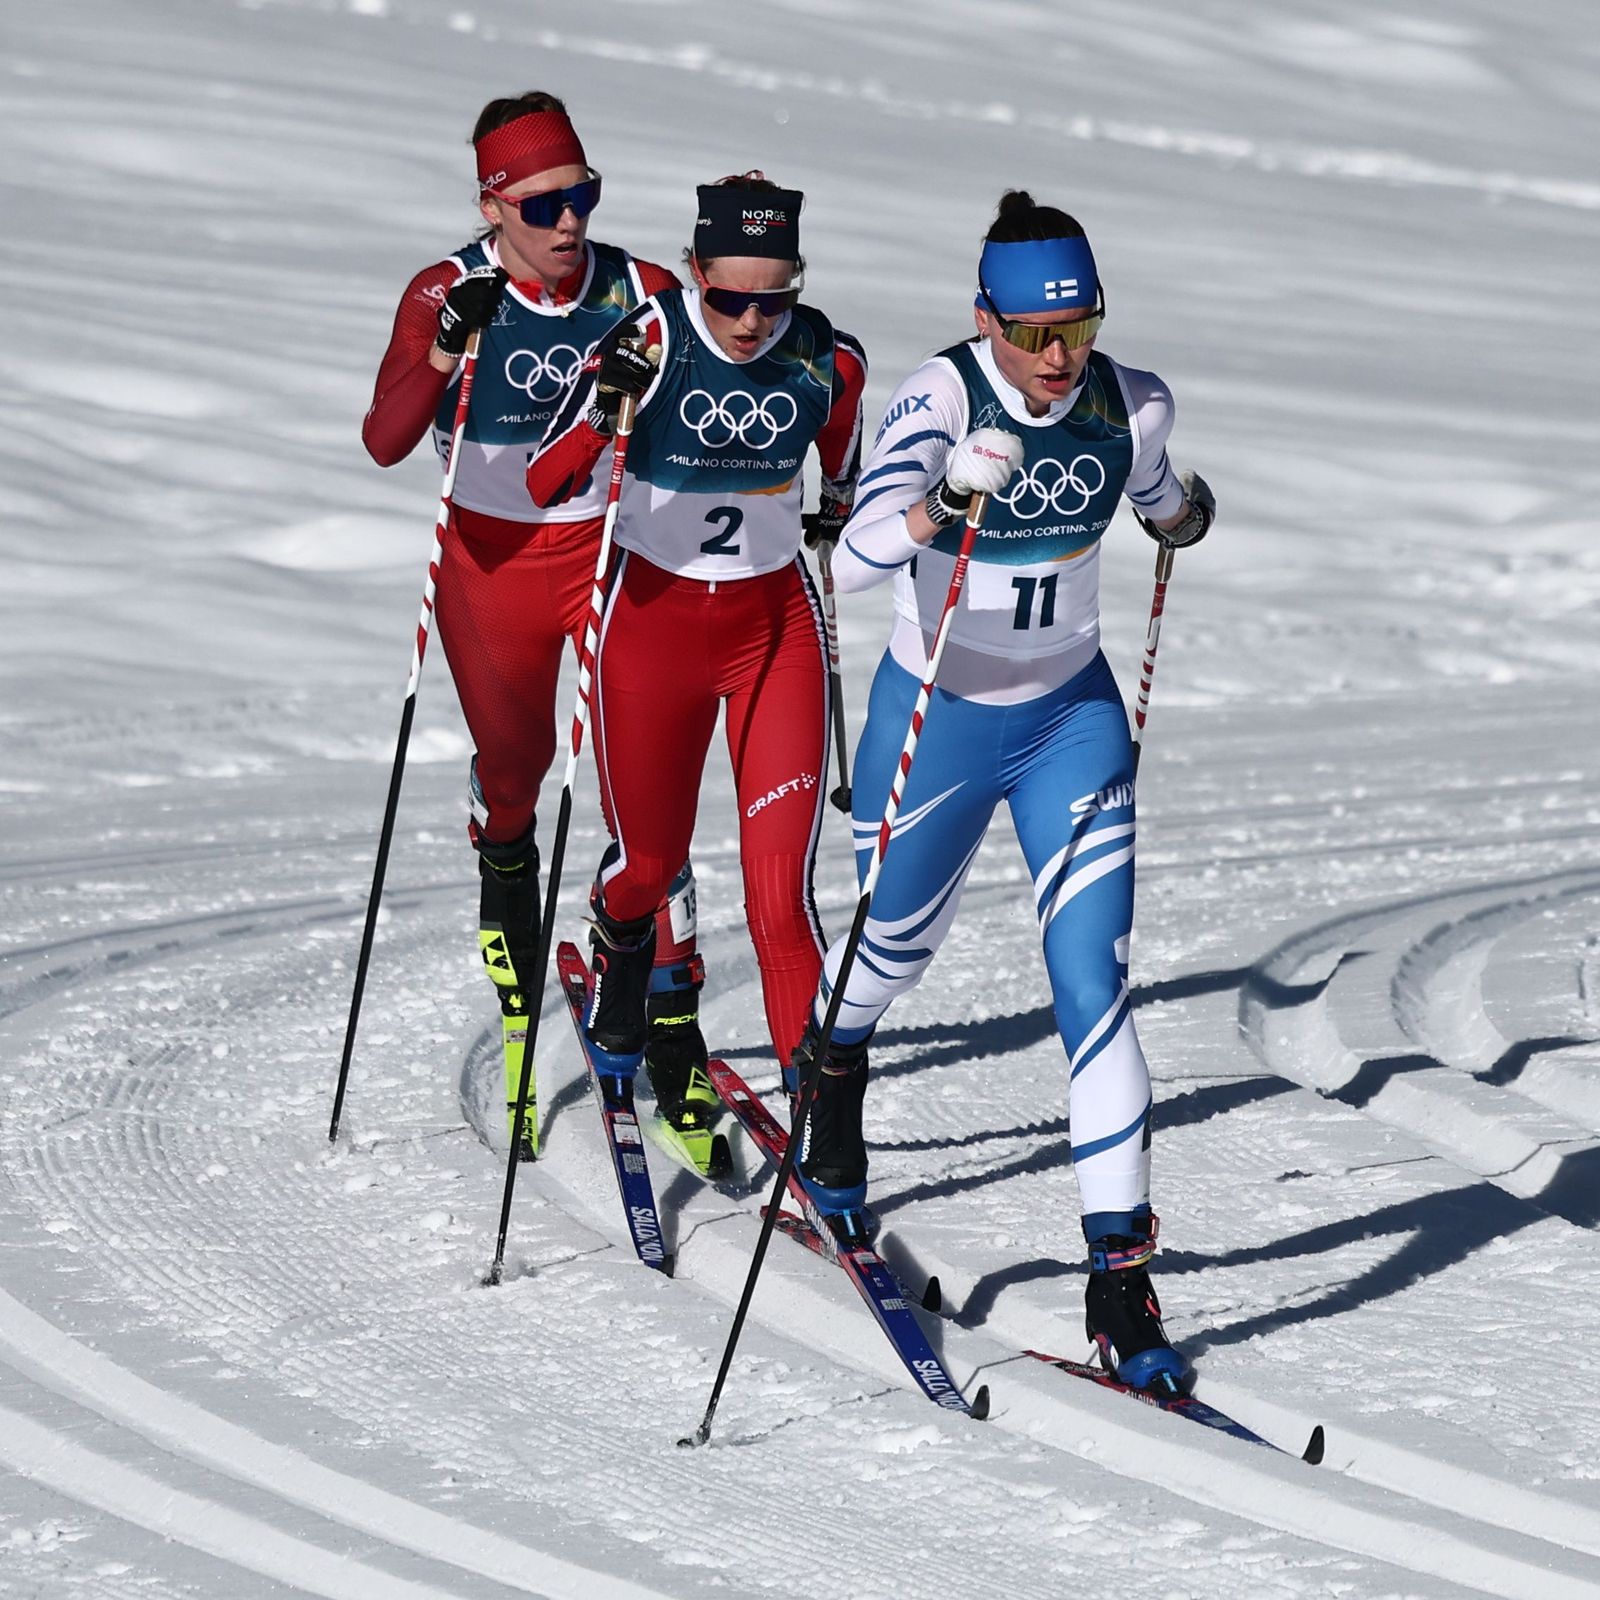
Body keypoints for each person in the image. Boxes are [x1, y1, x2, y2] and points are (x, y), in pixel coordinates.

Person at [793, 191, 1215, 1396]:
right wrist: (940, 499)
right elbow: (858, 554)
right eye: (1032, 335)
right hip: (939, 723)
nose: (1054, 359)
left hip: (1067, 720)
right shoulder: (940, 399)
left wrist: (1185, 516)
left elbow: (1161, 498)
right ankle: (834, 1064)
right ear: (984, 320)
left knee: (1093, 977)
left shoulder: (1127, 402)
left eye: (1075, 329)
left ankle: (1120, 1276)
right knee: (890, 952)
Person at [361, 92, 705, 1158]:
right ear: (492, 204)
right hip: (490, 566)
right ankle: (501, 863)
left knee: (642, 792)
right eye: (546, 202)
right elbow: (383, 439)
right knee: (515, 778)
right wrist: (441, 358)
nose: (570, 223)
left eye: (584, 195)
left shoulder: (638, 289)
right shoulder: (444, 290)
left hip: (613, 557)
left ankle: (674, 1024)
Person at [527, 174, 866, 1114]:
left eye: (775, 296)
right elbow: (545, 484)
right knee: (648, 861)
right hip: (651, 631)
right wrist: (605, 413)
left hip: (775, 636)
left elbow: (841, 447)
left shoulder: (826, 358)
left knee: (781, 903)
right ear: (692, 274)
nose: (753, 321)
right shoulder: (647, 338)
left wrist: (838, 501)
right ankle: (624, 947)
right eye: (729, 296)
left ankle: (823, 1117)